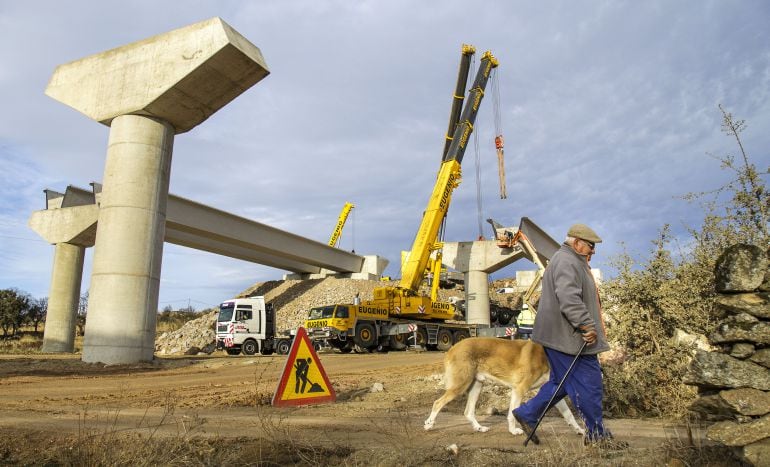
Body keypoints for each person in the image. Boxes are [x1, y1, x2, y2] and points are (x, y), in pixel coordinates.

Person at [512, 223, 625, 449]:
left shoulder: (572, 260)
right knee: (590, 383)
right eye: (591, 246)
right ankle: (597, 437)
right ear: (576, 242)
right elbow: (568, 297)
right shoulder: (567, 261)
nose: (593, 251)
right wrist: (585, 324)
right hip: (569, 339)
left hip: (565, 338)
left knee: (562, 382)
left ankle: (527, 413)